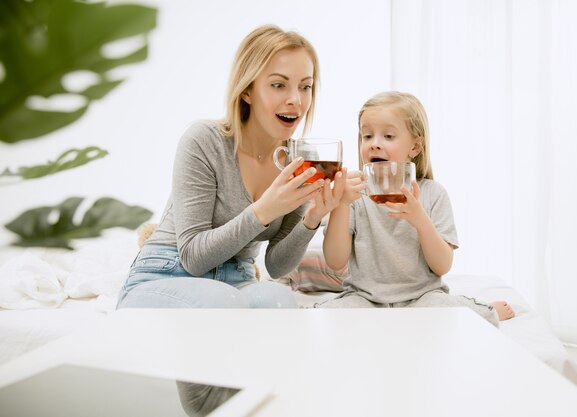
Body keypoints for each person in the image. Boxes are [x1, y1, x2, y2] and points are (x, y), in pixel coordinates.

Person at [117, 24, 346, 309]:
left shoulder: (294, 160)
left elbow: (276, 266)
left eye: (305, 86)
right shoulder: (204, 140)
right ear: (247, 90)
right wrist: (264, 210)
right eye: (278, 85)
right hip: (165, 272)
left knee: (280, 300)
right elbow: (193, 257)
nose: (296, 100)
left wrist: (312, 219)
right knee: (224, 303)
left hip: (236, 279)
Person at [320, 91, 515, 326]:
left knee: (452, 309)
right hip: (365, 299)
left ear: (415, 147)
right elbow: (334, 261)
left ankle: (483, 309)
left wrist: (420, 220)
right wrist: (341, 204)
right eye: (367, 136)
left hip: (422, 299)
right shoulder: (354, 195)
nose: (374, 144)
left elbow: (442, 265)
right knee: (325, 315)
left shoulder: (434, 194)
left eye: (388, 136)